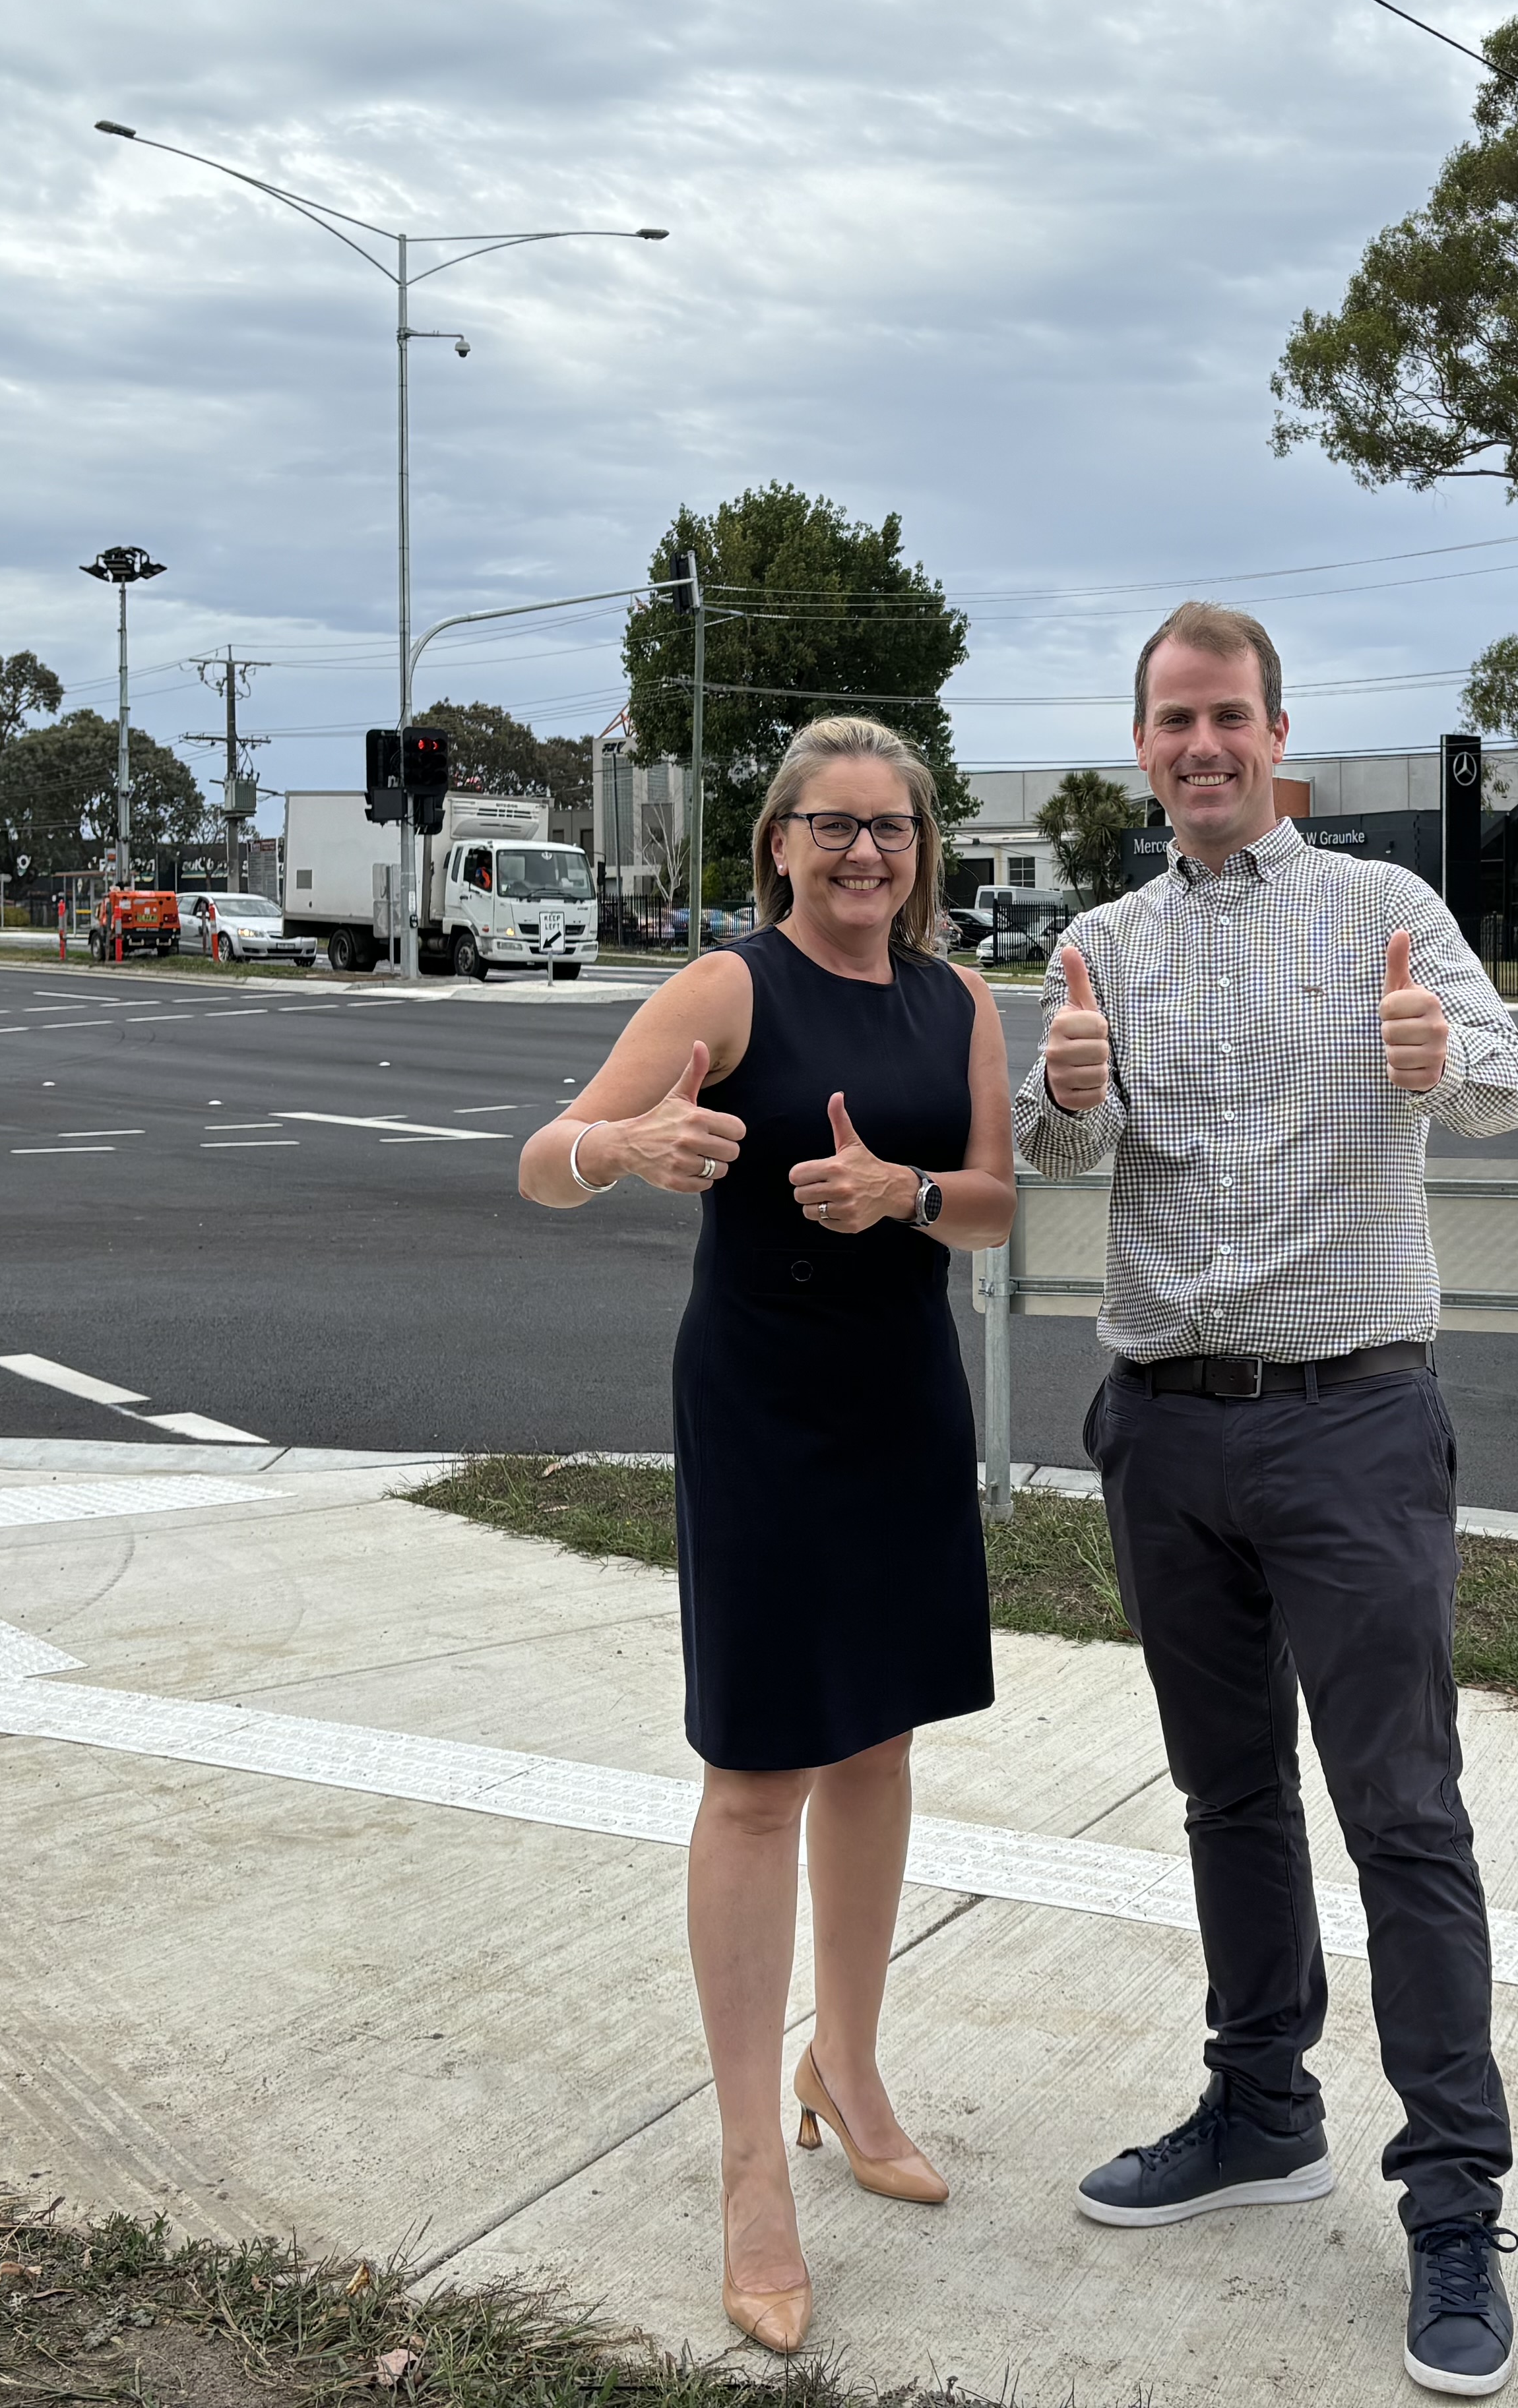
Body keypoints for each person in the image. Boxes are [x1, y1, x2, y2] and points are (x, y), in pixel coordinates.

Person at [1019, 602, 1518, 2398]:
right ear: (1144, 747)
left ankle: (1456, 2198)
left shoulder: (1384, 915)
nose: (1202, 744)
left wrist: (1440, 1060)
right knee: (1227, 1790)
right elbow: (1063, 1150)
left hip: (1353, 1426)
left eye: (1227, 715)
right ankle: (1260, 2103)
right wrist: (1066, 1102)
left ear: (1277, 732)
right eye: (1173, 720)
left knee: (1402, 1808)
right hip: (1167, 1426)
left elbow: (1503, 1076)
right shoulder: (1100, 942)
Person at [520, 713, 1017, 2359]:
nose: (865, 853)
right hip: (762, 1416)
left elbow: (1005, 1196)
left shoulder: (960, 1004)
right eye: (833, 826)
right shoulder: (732, 990)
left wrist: (911, 1200)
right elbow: (542, 1163)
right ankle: (751, 2171)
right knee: (755, 1779)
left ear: (921, 851)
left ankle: (849, 2068)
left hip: (902, 1409)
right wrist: (630, 1146)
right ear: (780, 844)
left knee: (877, 1748)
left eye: (892, 829)